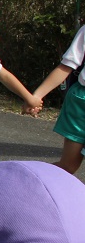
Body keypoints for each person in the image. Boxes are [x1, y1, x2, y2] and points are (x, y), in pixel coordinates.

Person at [29, 23, 85, 174]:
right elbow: (66, 66)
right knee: (68, 166)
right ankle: (29, 180)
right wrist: (36, 96)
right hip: (80, 104)